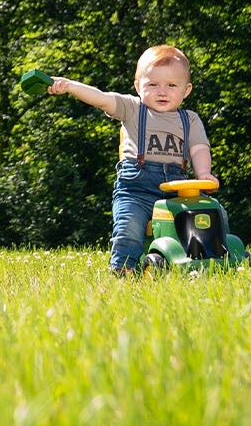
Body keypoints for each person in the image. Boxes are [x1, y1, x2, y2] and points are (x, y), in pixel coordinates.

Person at [42, 44, 216, 273]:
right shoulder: (133, 109)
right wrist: (70, 86)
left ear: (186, 90)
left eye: (172, 85)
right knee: (129, 228)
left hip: (177, 191)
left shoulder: (189, 120)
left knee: (207, 216)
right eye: (153, 84)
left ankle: (208, 259)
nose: (162, 91)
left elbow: (199, 148)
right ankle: (124, 271)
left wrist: (203, 173)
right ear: (138, 86)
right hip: (136, 190)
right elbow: (101, 98)